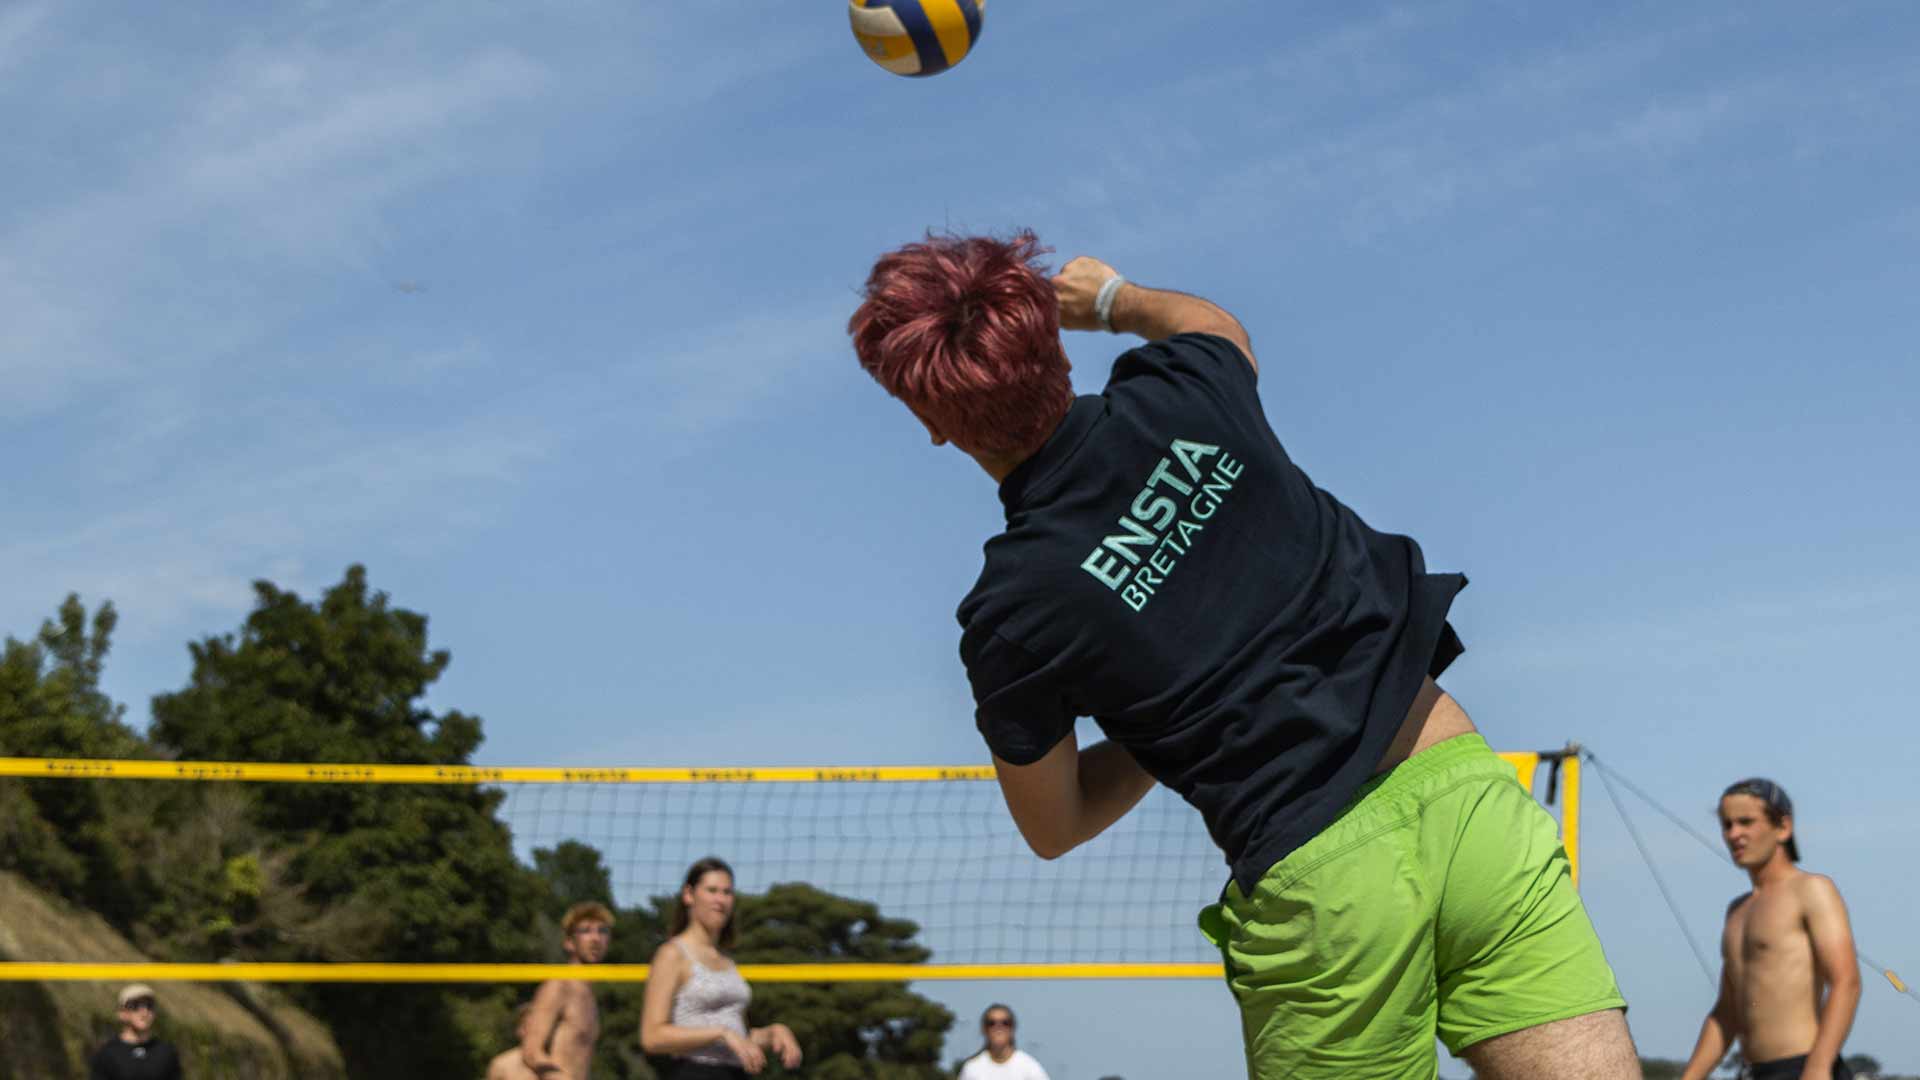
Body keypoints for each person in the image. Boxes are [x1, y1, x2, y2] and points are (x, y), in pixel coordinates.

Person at [848, 233, 1638, 1080]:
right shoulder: (1186, 392)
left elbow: (1056, 822)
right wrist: (1113, 299)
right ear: (1051, 342)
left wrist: (1177, 708)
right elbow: (1216, 323)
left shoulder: (1011, 610)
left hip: (1323, 884)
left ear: (931, 422)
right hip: (1463, 790)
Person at [1679, 779, 1861, 1080]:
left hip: (1805, 1067)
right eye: (1727, 825)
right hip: (1752, 1072)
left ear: (1783, 827)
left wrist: (1818, 1067)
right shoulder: (1736, 911)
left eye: (1746, 822)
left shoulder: (1812, 890)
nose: (1733, 834)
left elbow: (1846, 982)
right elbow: (1727, 1011)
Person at [641, 857, 803, 1078]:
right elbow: (652, 1037)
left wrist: (773, 1032)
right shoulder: (672, 954)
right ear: (689, 894)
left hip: (735, 1072)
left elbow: (738, 1035)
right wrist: (720, 1034)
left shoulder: (727, 960)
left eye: (727, 892)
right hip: (694, 1071)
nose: (721, 900)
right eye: (712, 890)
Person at [520, 901, 614, 1079]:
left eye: (602, 931)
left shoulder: (590, 994)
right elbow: (531, 1051)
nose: (595, 938)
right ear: (569, 943)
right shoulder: (558, 985)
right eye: (585, 930)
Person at [89, 983, 184, 1080]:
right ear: (121, 1013)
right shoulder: (107, 1054)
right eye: (135, 1006)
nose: (144, 1012)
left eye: (149, 1006)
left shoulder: (167, 1052)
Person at [956, 1003, 1049, 1080]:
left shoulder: (1030, 1068)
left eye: (1005, 1023)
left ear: (1013, 1028)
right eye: (991, 1023)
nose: (998, 1027)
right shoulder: (972, 1069)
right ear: (984, 1029)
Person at [486, 1005, 538, 1080]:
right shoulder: (502, 1064)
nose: (538, 1032)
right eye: (531, 1027)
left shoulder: (556, 1063)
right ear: (520, 1030)